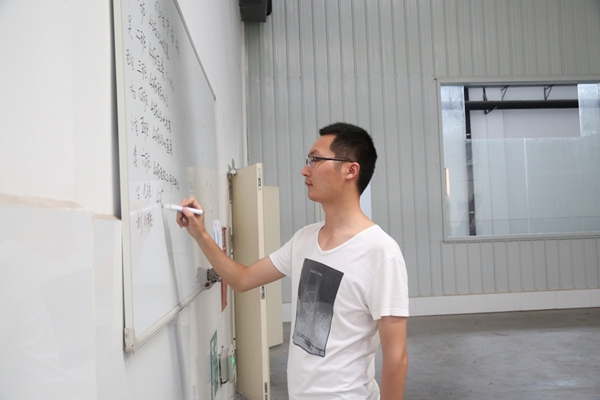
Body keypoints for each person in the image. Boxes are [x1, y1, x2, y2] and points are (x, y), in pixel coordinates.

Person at [177, 122, 409, 399]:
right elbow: (242, 279)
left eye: (315, 160)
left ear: (351, 170)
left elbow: (396, 358)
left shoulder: (381, 252)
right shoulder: (304, 239)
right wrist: (200, 233)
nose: (305, 170)